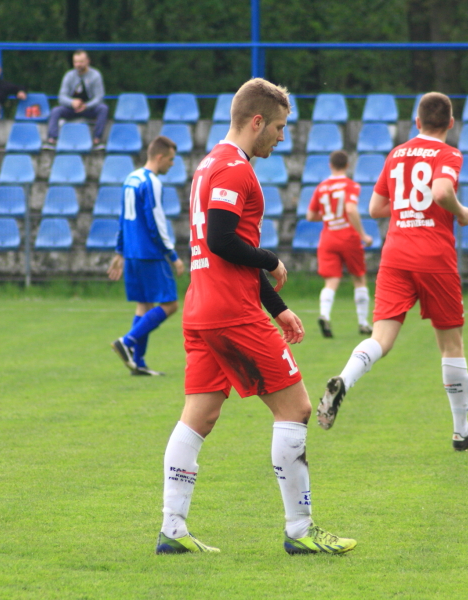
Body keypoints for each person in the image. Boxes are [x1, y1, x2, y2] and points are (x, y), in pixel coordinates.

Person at [155, 78, 356, 556]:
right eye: (279, 127)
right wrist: (272, 259)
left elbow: (224, 249)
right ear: (257, 121)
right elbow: (222, 240)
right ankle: (300, 529)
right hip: (231, 312)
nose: (282, 138)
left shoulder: (209, 164)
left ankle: (172, 530)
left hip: (202, 307)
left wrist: (278, 307)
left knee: (199, 416)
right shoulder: (234, 170)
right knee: (296, 409)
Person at [317, 92, 468, 452]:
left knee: (381, 338)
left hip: (395, 254)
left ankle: (344, 379)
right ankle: (461, 431)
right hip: (434, 257)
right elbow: (441, 191)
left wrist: (408, 205)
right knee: (451, 343)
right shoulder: (449, 154)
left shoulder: (397, 153)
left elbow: (376, 207)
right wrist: (461, 212)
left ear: (417, 122)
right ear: (451, 123)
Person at [108, 136, 184, 376]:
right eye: (170, 159)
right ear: (159, 157)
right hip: (150, 254)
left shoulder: (130, 179)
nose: (172, 164)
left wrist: (120, 251)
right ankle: (127, 341)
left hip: (132, 253)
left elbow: (123, 219)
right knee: (170, 305)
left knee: (144, 305)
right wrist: (172, 255)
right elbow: (156, 222)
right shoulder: (152, 182)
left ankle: (138, 363)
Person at [306, 149, 374, 338]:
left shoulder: (321, 187)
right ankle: (363, 323)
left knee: (331, 280)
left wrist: (329, 217)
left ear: (330, 165)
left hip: (328, 237)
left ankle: (324, 315)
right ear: (347, 165)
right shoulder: (351, 185)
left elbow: (310, 215)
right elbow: (350, 209)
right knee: (359, 278)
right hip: (348, 236)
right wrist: (363, 235)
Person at [44, 51, 108, 150]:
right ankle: (52, 139)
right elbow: (61, 97)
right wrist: (72, 102)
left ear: (87, 61)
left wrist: (86, 106)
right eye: (76, 62)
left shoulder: (95, 75)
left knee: (103, 108)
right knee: (56, 110)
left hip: (89, 109)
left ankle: (97, 139)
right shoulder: (69, 76)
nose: (78, 65)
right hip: (72, 109)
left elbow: (99, 97)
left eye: (81, 62)